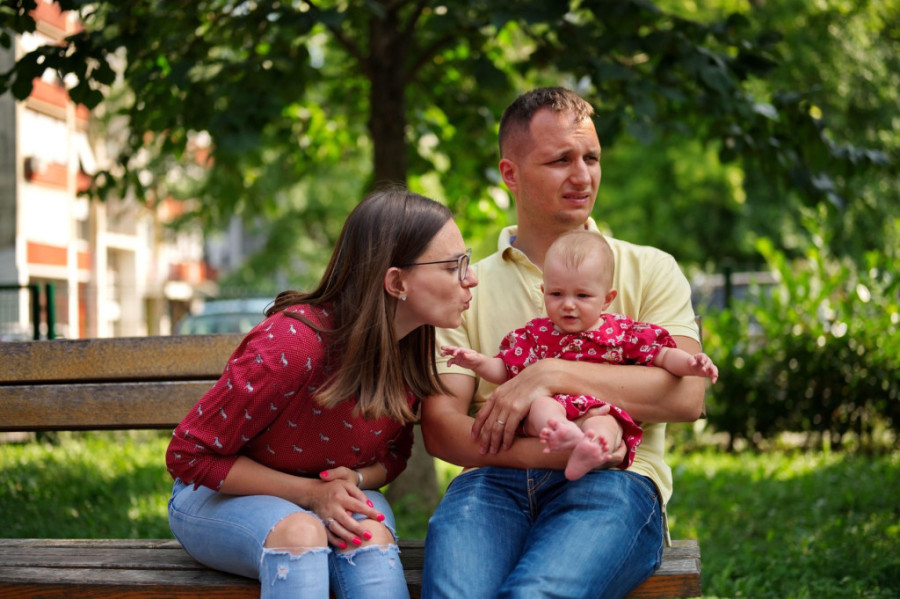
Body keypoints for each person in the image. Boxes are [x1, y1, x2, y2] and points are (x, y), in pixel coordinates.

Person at [420, 87, 707, 599]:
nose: (583, 176)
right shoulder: (466, 287)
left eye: (591, 157)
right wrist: (557, 450)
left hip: (617, 484)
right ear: (510, 174)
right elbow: (442, 431)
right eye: (561, 160)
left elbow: (686, 398)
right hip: (490, 485)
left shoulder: (649, 268)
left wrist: (547, 374)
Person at [166, 187, 477, 599]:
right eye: (454, 266)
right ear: (396, 281)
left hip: (333, 496)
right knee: (301, 534)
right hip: (220, 497)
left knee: (367, 536)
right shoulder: (291, 346)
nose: (471, 278)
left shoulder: (411, 346)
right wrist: (311, 494)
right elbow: (189, 457)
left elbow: (394, 456)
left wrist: (359, 478)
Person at [440, 229, 718, 481]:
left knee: (607, 423)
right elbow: (505, 369)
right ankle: (565, 435)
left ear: (607, 299)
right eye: (557, 294)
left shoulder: (621, 331)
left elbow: (662, 355)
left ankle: (592, 450)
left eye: (582, 296)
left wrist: (691, 363)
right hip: (555, 409)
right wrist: (477, 362)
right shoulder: (536, 334)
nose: (568, 305)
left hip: (599, 406)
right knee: (540, 408)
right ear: (544, 292)